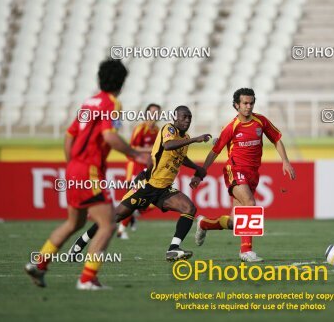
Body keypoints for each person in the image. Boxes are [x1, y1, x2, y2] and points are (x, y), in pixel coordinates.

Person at [25, 59, 150, 290]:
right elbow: (109, 137)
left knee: (75, 222)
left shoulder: (88, 103)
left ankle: (39, 263)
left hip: (74, 167)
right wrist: (136, 154)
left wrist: (72, 163)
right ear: (122, 82)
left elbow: (70, 135)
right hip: (89, 171)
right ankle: (87, 279)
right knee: (109, 224)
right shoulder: (111, 103)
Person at [68, 106, 211, 261]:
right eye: (184, 117)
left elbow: (180, 157)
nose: (187, 120)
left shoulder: (185, 138)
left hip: (163, 188)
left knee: (189, 208)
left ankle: (173, 249)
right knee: (114, 218)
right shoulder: (168, 129)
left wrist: (197, 168)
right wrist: (195, 139)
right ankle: (80, 243)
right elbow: (168, 145)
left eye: (189, 117)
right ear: (175, 118)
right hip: (147, 184)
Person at [190, 88, 296, 262]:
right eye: (245, 103)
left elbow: (276, 139)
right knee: (250, 203)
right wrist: (200, 174)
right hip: (235, 170)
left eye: (251, 103)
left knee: (235, 222)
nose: (248, 106)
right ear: (236, 105)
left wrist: (285, 161)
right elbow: (214, 152)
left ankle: (204, 223)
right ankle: (246, 251)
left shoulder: (260, 121)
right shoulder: (231, 127)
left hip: (253, 174)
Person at [117, 103, 161, 239]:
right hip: (134, 166)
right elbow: (132, 148)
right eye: (152, 112)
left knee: (151, 199)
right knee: (131, 197)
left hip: (147, 168)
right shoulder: (140, 129)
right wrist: (151, 150)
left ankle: (134, 214)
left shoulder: (157, 130)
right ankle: (121, 230)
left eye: (157, 112)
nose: (154, 115)